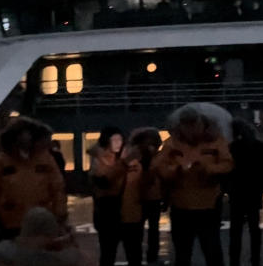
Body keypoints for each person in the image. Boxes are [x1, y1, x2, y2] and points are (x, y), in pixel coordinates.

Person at [153, 109, 233, 266]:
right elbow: (159, 167)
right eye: (186, 125)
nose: (190, 130)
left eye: (193, 125)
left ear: (201, 124)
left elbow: (228, 164)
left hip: (208, 204)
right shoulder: (172, 143)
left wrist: (207, 168)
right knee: (183, 252)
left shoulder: (216, 141)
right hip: (181, 205)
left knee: (212, 249)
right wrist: (176, 170)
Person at [0, 117, 67, 249]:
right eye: (21, 133)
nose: (25, 137)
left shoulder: (45, 159)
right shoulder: (0, 161)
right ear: (14, 137)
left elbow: (57, 188)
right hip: (10, 223)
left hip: (41, 221)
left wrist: (60, 213)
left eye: (28, 133)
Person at [89, 126, 144, 266]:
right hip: (109, 217)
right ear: (106, 141)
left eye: (120, 139)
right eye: (114, 139)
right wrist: (124, 163)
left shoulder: (133, 159)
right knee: (108, 254)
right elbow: (104, 182)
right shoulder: (99, 160)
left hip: (132, 215)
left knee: (135, 256)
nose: (118, 143)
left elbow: (143, 183)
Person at [228, 119, 263, 266]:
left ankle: (234, 258)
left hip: (237, 191)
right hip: (254, 191)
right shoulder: (259, 147)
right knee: (254, 228)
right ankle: (255, 257)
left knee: (235, 229)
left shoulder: (232, 148)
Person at [0, 207, 83, 266]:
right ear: (42, 235)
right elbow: (74, 256)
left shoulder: (4, 250)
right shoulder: (47, 259)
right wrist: (70, 241)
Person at [129, 127, 165, 264]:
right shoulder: (157, 156)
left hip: (141, 197)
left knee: (139, 229)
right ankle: (151, 257)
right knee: (153, 230)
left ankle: (138, 257)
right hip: (151, 197)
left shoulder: (136, 156)